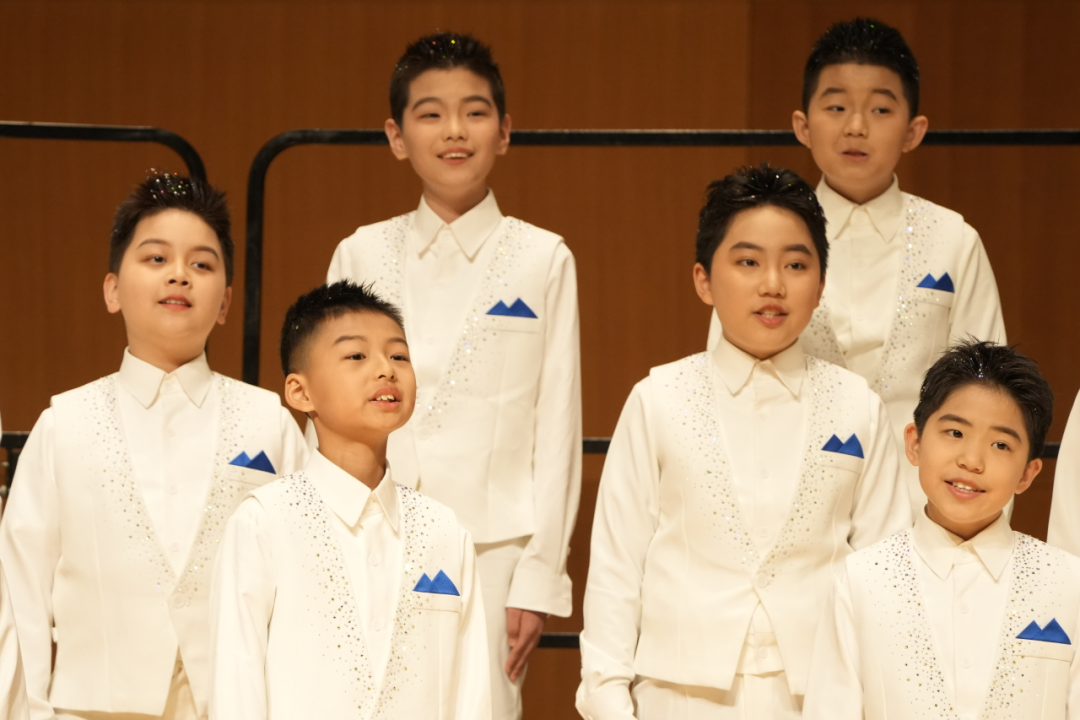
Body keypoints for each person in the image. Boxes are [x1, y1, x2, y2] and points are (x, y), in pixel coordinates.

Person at [578, 164, 910, 719]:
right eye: (748, 261)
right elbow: (617, 567)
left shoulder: (859, 407)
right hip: (676, 695)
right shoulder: (658, 398)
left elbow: (886, 569)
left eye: (796, 264)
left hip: (821, 695)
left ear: (820, 285)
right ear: (704, 280)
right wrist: (609, 700)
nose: (772, 284)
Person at [326, 31, 581, 719]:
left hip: (495, 548)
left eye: (474, 111)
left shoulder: (542, 258)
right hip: (370, 533)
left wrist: (539, 575)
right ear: (397, 136)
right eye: (430, 113)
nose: (454, 130)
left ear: (505, 131)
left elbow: (558, 424)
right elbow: (329, 411)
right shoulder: (360, 252)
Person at [0, 172, 307, 720]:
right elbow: (20, 594)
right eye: (157, 258)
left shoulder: (271, 423)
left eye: (202, 264)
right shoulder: (63, 425)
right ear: (113, 290)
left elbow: (303, 583)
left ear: (225, 302)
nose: (179, 275)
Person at [708, 18, 1006, 516]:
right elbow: (727, 375)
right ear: (803, 125)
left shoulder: (954, 239)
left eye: (881, 109)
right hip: (790, 501)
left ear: (913, 131)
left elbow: (991, 393)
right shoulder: (763, 235)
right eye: (836, 106)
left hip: (923, 508)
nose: (856, 127)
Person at [209, 281, 490, 719]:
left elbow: (472, 695)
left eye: (399, 356)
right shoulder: (264, 522)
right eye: (357, 356)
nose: (386, 369)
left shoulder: (445, 532)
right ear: (300, 392)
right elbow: (236, 689)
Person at [803, 340, 1078, 720]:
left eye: (1000, 444)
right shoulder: (861, 580)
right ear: (915, 443)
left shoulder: (1066, 583)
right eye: (955, 433)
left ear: (1027, 474)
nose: (971, 460)